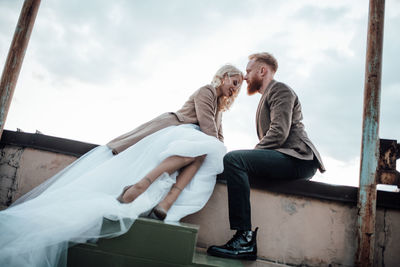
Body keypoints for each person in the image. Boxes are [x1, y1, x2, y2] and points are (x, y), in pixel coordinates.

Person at [0, 64, 243, 267]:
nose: (235, 88)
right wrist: (218, 147)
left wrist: (218, 148)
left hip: (193, 140)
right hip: (175, 128)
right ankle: (155, 192)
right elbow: (209, 130)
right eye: (234, 82)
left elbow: (217, 138)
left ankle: (155, 195)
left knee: (203, 151)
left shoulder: (220, 106)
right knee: (201, 148)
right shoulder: (207, 92)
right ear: (223, 77)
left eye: (239, 87)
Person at [207, 53, 325, 260]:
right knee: (236, 165)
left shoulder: (280, 90)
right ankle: (244, 239)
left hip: (298, 158)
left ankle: (244, 238)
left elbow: (279, 132)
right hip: (286, 157)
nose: (245, 77)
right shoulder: (267, 95)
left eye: (249, 70)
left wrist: (249, 156)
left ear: (262, 71)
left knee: (235, 160)